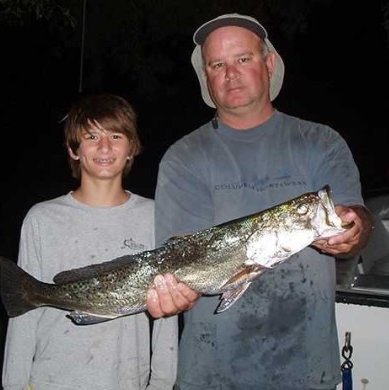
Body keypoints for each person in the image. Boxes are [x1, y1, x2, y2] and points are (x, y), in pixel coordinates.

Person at [146, 13, 373, 390]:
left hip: (307, 370)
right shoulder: (184, 157)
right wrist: (174, 295)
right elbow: (180, 260)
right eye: (217, 64)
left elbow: (356, 220)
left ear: (269, 64)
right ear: (207, 77)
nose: (230, 73)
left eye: (243, 59)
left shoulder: (321, 142)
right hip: (212, 373)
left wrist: (355, 228)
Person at [2, 94, 178, 390]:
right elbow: (24, 306)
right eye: (91, 136)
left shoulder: (156, 216)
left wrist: (161, 381)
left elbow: (166, 308)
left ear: (131, 147)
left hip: (127, 381)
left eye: (116, 135)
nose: (105, 147)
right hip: (51, 380)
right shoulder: (42, 219)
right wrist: (14, 384)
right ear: (74, 149)